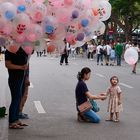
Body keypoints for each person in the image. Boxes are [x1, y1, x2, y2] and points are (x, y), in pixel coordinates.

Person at [5, 47, 29, 129]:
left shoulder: (23, 50)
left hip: (22, 77)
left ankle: (16, 119)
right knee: (15, 98)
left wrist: (26, 78)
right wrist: (21, 67)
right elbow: (7, 64)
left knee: (19, 98)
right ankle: (12, 121)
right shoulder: (10, 50)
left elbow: (27, 62)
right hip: (14, 78)